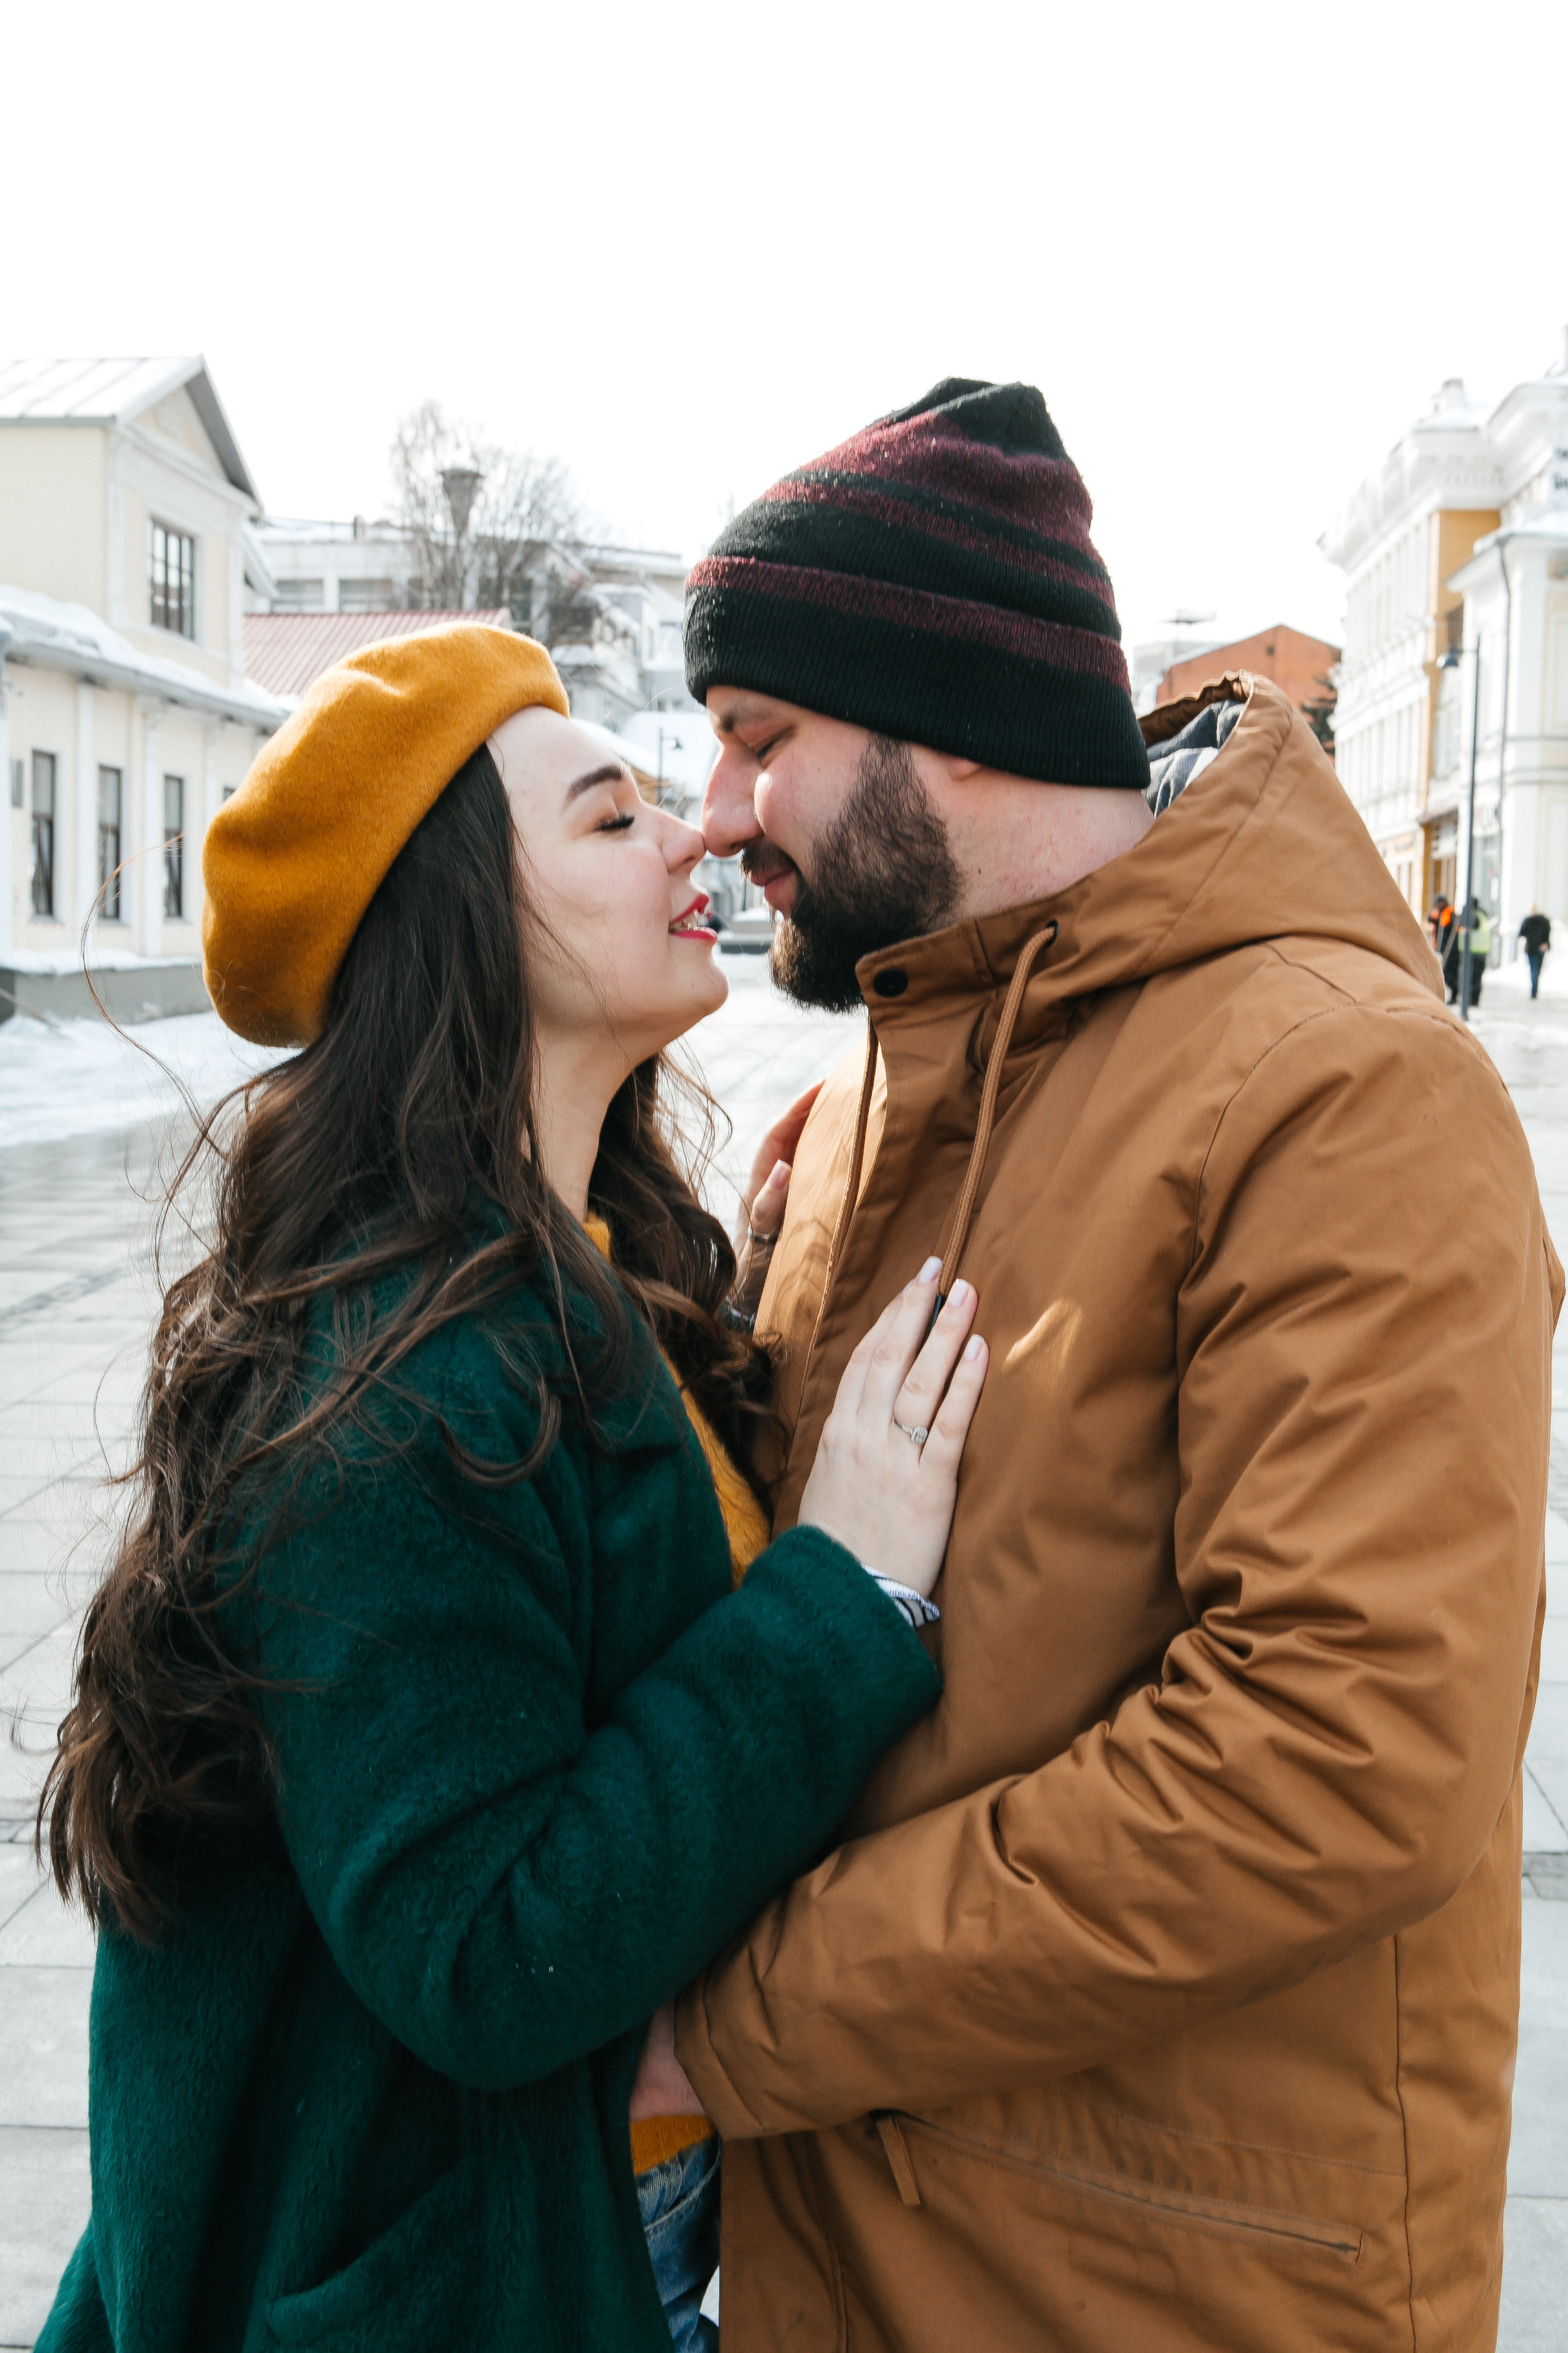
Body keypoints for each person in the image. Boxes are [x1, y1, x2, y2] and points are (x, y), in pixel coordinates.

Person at [676, 381, 1559, 2352]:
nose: (720, 813)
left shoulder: (1341, 1088)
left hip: (1168, 2282)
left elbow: (1336, 1754)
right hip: (848, 2254)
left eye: (760, 741)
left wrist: (723, 2024)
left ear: (946, 718)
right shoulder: (866, 1091)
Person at [33, 625, 991, 2353]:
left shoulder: (582, 1280)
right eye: (614, 821)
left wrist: (754, 1319)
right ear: (469, 917)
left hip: (613, 2217)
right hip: (485, 2269)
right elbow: (484, 1950)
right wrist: (843, 1596)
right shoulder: (398, 1393)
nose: (695, 836)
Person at [1520, 904, 1551, 998]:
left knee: (1535, 970)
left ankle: (1534, 991)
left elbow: (1547, 933)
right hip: (1534, 949)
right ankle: (1534, 991)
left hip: (1537, 948)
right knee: (1535, 970)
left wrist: (1546, 944)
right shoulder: (1530, 920)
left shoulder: (1542, 921)